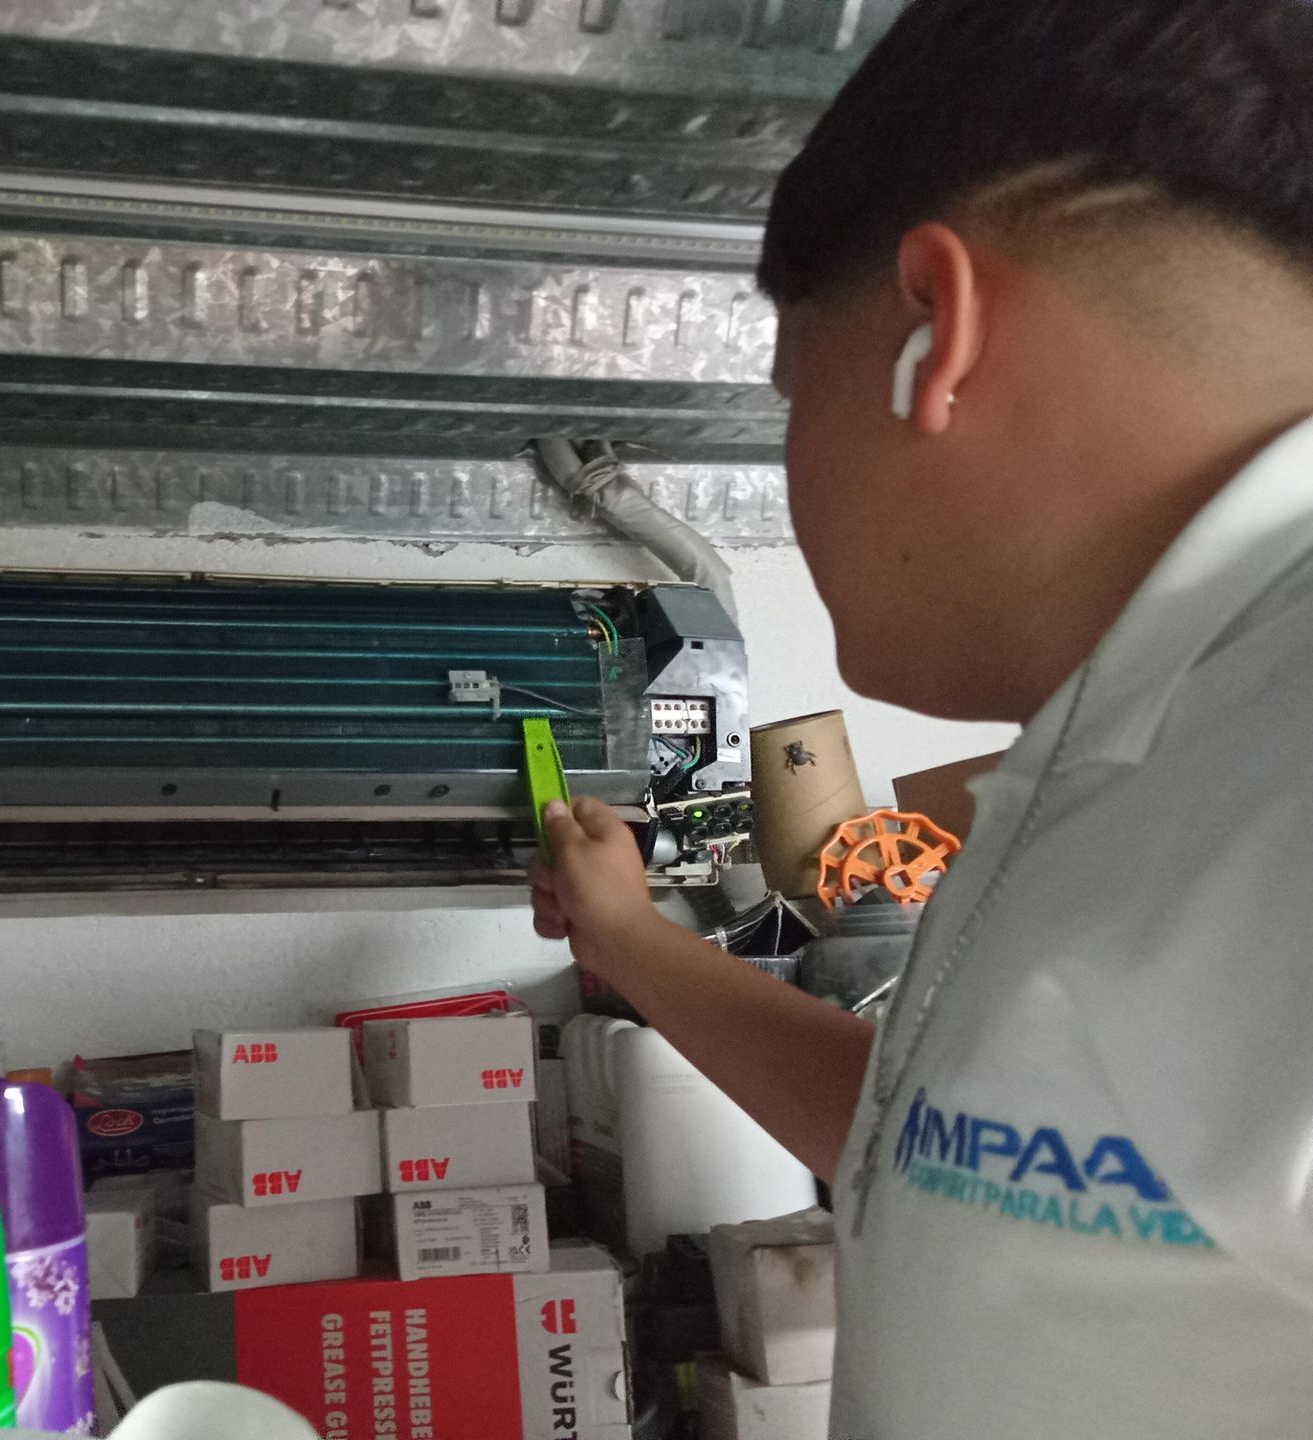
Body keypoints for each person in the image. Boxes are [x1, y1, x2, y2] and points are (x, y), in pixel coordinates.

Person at [528, 2, 1313, 1435]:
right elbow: (952, 1144)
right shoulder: (1141, 731)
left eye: (790, 393)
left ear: (934, 339)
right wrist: (630, 938)